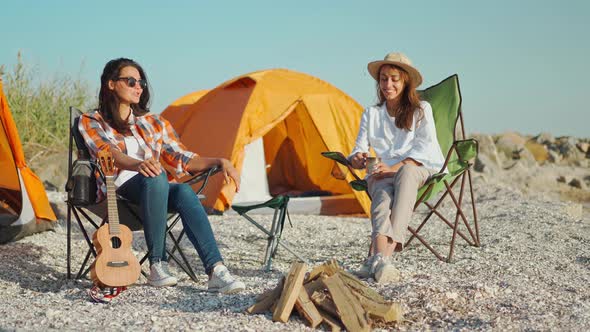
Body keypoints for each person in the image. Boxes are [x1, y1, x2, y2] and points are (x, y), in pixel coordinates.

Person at [79, 58, 245, 294]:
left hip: (155, 191)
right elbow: (108, 153)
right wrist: (139, 165)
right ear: (111, 84)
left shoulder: (153, 122)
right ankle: (157, 264)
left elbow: (181, 157)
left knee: (184, 190)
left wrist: (221, 160)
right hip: (116, 192)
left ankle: (216, 270)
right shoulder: (91, 121)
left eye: (141, 82)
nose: (139, 87)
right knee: (156, 174)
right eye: (131, 81)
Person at [348, 52, 446, 283]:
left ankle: (379, 258)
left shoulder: (421, 109)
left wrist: (396, 167)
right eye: (383, 79)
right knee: (381, 200)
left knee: (407, 172)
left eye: (394, 79)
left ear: (405, 82)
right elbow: (357, 148)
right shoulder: (372, 114)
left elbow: (425, 149)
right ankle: (382, 263)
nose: (388, 84)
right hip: (383, 172)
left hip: (417, 169)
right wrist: (358, 158)